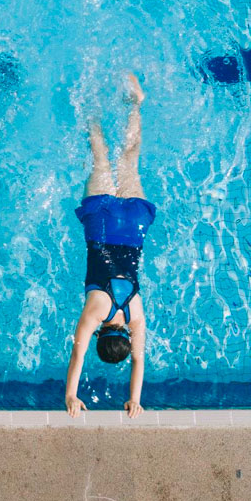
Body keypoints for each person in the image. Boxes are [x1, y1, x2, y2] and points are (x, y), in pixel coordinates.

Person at [65, 74, 156, 419]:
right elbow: (77, 354)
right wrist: (70, 395)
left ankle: (135, 105)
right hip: (102, 228)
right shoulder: (96, 310)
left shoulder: (136, 315)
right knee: (100, 158)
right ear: (100, 334)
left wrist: (135, 400)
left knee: (130, 159)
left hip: (133, 229)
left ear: (125, 338)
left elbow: (139, 360)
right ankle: (90, 104)